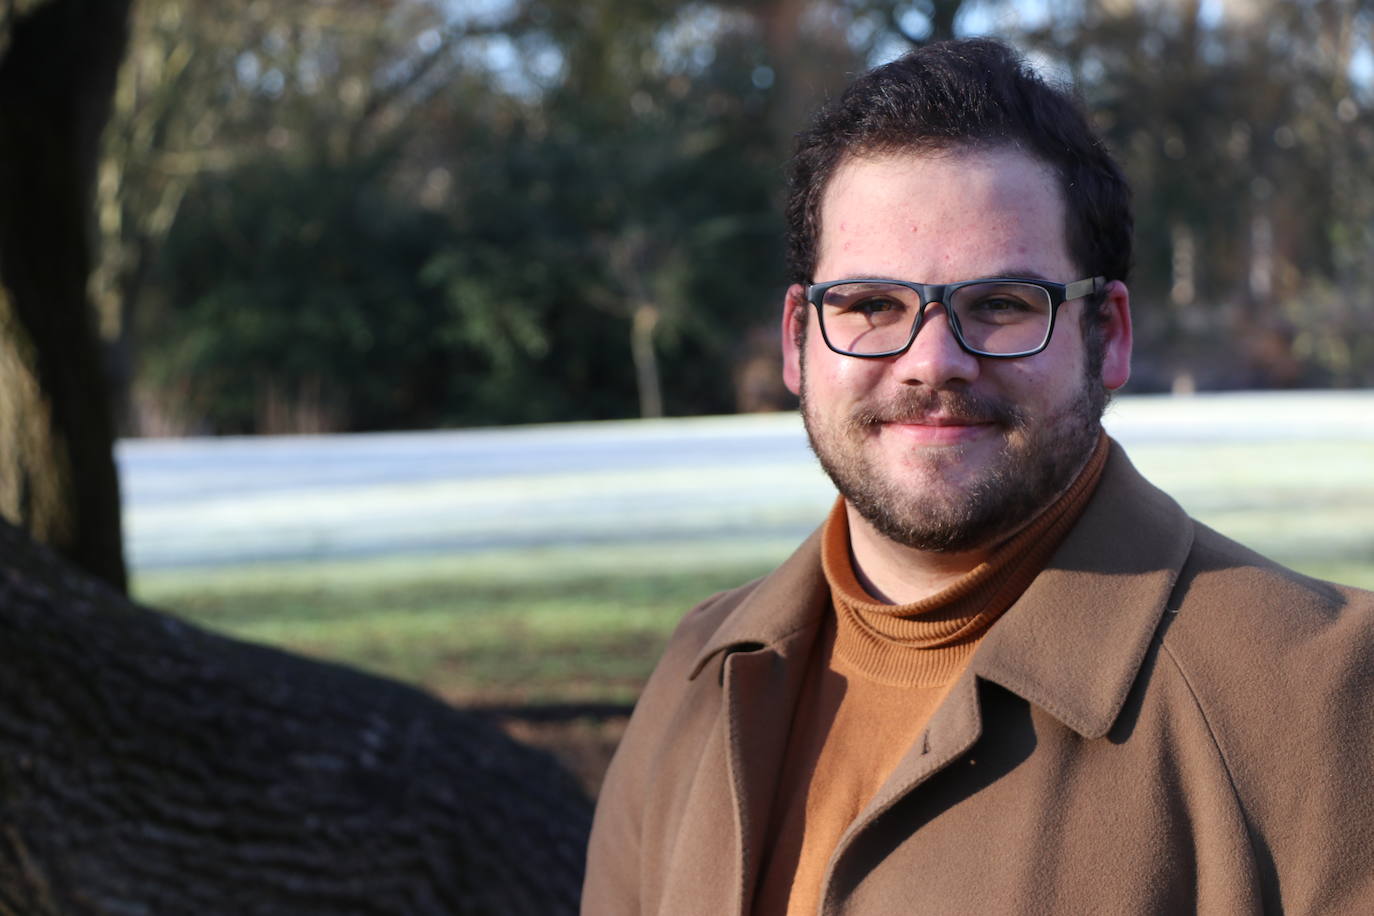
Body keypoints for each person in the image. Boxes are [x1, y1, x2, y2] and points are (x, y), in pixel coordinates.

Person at [582, 38, 1374, 915]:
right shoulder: (700, 673)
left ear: (1107, 335)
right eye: (870, 306)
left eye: (1001, 305)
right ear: (796, 343)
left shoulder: (1326, 695)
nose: (932, 363)